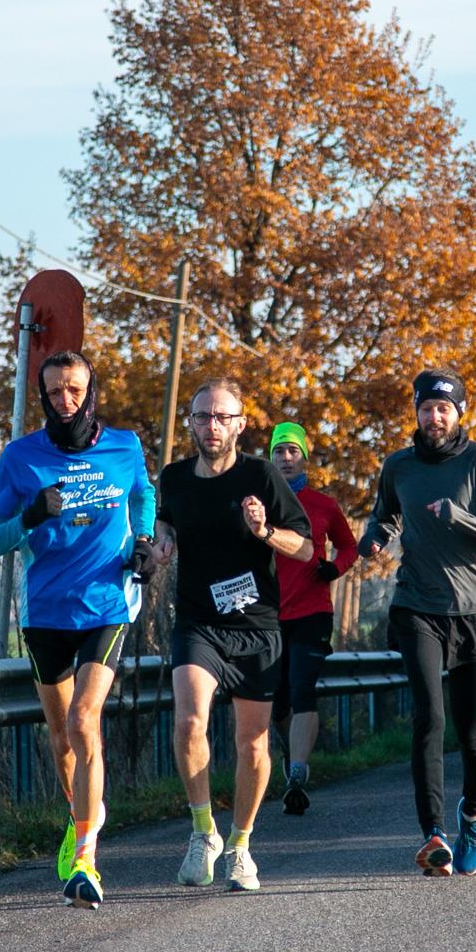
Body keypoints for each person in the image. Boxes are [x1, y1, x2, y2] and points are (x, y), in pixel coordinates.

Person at [0, 351, 157, 910]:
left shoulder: (124, 446)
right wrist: (29, 516)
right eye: (55, 391)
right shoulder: (20, 457)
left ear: (91, 390)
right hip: (45, 611)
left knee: (84, 720)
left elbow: (143, 494)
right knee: (61, 740)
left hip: (106, 603)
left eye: (75, 389)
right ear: (43, 395)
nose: (66, 400)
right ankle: (83, 813)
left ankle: (85, 859)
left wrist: (144, 542)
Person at [361, 369, 476, 876]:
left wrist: (460, 517)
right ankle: (433, 833)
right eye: (427, 408)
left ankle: (473, 814)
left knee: (471, 729)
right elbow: (386, 515)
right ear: (416, 412)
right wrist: (375, 537)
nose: (435, 417)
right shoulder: (399, 466)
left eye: (444, 409)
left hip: (474, 611)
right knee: (429, 717)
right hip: (417, 606)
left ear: (459, 414)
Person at [153, 378, 313, 892]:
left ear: (241, 424)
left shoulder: (261, 475)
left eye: (223, 417)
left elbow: (305, 548)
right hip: (198, 622)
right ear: (191, 423)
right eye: (203, 416)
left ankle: (240, 845)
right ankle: (204, 832)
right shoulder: (174, 478)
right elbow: (165, 523)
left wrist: (264, 531)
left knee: (252, 743)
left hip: (256, 627)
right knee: (188, 722)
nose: (212, 426)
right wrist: (162, 543)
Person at [266, 420, 358, 816]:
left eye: (293, 451)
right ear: (270, 458)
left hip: (312, 611)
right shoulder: (258, 505)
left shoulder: (324, 505)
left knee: (303, 689)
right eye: (279, 451)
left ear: (304, 457)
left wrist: (335, 569)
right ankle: (293, 757)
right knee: (277, 704)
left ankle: (297, 774)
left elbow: (349, 546)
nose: (286, 458)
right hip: (267, 616)